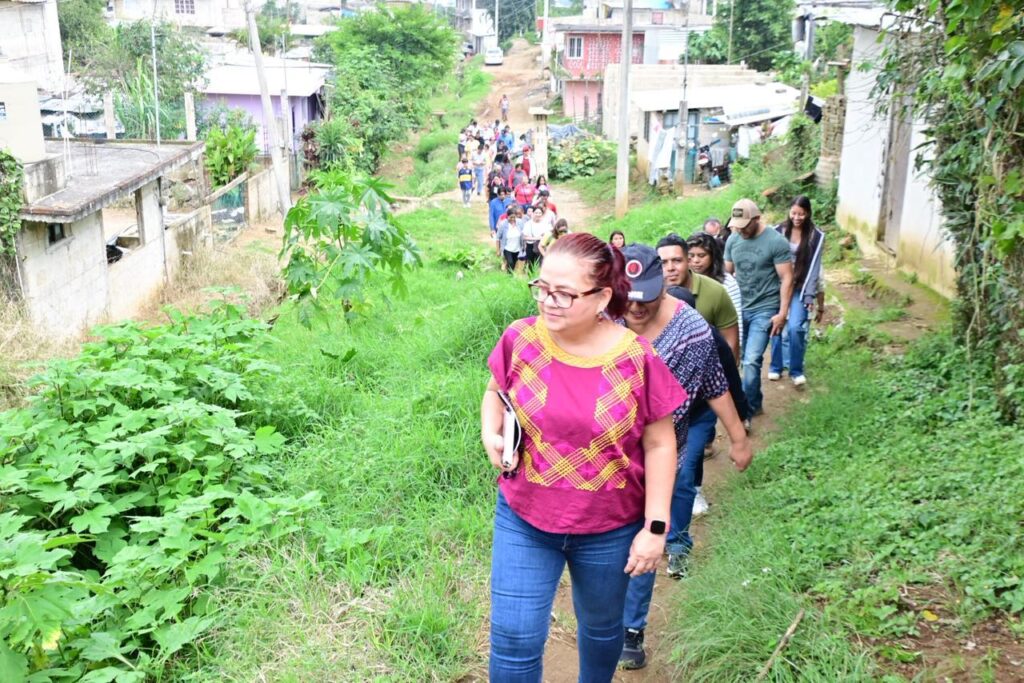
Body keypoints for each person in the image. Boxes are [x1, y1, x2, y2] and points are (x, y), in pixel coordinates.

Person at [482, 233, 685, 682]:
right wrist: (490, 433)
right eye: (541, 288)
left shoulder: (637, 359)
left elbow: (660, 444)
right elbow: (496, 391)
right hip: (524, 517)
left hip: (608, 529)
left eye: (564, 293)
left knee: (600, 629)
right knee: (513, 638)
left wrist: (655, 527)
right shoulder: (520, 338)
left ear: (602, 297)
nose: (548, 302)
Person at [616, 244, 753, 671]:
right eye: (628, 298)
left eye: (646, 298)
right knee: (607, 545)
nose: (635, 308)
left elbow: (715, 384)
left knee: (646, 538)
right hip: (606, 460)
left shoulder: (691, 330)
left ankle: (631, 628)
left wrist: (738, 438)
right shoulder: (602, 316)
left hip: (660, 458)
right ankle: (603, 619)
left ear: (663, 286)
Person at [666, 285, 750, 517]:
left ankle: (689, 504)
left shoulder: (707, 337)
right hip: (663, 418)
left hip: (699, 413)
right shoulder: (648, 335)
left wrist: (741, 417)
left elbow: (730, 378)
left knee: (687, 462)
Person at [723, 199, 794, 427]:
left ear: (757, 218)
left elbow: (787, 278)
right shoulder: (733, 239)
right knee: (737, 359)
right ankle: (755, 400)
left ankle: (746, 411)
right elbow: (725, 275)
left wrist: (782, 313)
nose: (741, 230)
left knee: (751, 360)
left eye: (745, 225)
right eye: (737, 226)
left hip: (764, 308)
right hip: (737, 308)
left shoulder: (776, 242)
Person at [768, 196, 826, 387]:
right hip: (778, 286)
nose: (797, 217)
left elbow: (815, 268)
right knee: (776, 323)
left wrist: (810, 295)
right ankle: (776, 366)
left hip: (799, 288)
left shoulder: (815, 236)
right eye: (794, 213)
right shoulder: (778, 231)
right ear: (789, 211)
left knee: (795, 328)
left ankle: (796, 370)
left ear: (808, 213)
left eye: (801, 214)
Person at [656, 233, 739, 359]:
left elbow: (730, 341)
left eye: (677, 261)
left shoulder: (715, 291)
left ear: (688, 261)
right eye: (663, 263)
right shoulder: (650, 295)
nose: (670, 268)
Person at [687, 231, 744, 354]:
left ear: (713, 256)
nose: (695, 260)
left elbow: (736, 322)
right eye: (691, 256)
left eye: (701, 255)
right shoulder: (683, 281)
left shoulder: (727, 283)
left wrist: (734, 354)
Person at [494, 204, 525, 274]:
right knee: (510, 263)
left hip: (517, 248)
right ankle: (509, 275)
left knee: (513, 264)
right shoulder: (503, 224)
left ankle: (509, 276)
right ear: (507, 216)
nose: (512, 219)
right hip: (507, 248)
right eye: (511, 217)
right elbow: (498, 238)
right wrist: (498, 250)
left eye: (514, 217)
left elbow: (523, 233)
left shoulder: (520, 223)